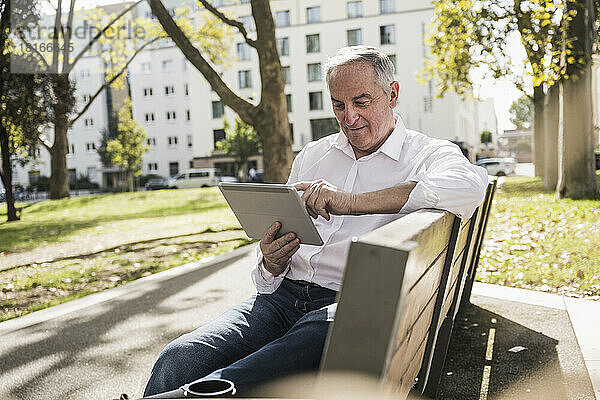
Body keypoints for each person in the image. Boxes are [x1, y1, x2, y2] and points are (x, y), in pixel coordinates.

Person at [143, 46, 488, 397]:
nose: (349, 117)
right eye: (338, 104)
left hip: (348, 305)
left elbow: (468, 186)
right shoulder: (313, 155)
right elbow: (270, 274)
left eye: (361, 102)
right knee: (179, 358)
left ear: (393, 94)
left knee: (301, 340)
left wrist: (351, 203)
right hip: (279, 300)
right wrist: (271, 262)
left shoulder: (427, 153)